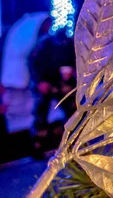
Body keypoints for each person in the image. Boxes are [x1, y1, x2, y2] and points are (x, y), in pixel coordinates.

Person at [28, 25, 75, 157]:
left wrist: (72, 72)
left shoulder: (70, 44)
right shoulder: (44, 45)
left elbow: (76, 60)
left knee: (73, 111)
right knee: (41, 113)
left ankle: (73, 142)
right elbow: (33, 64)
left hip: (63, 82)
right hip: (44, 82)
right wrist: (40, 81)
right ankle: (38, 146)